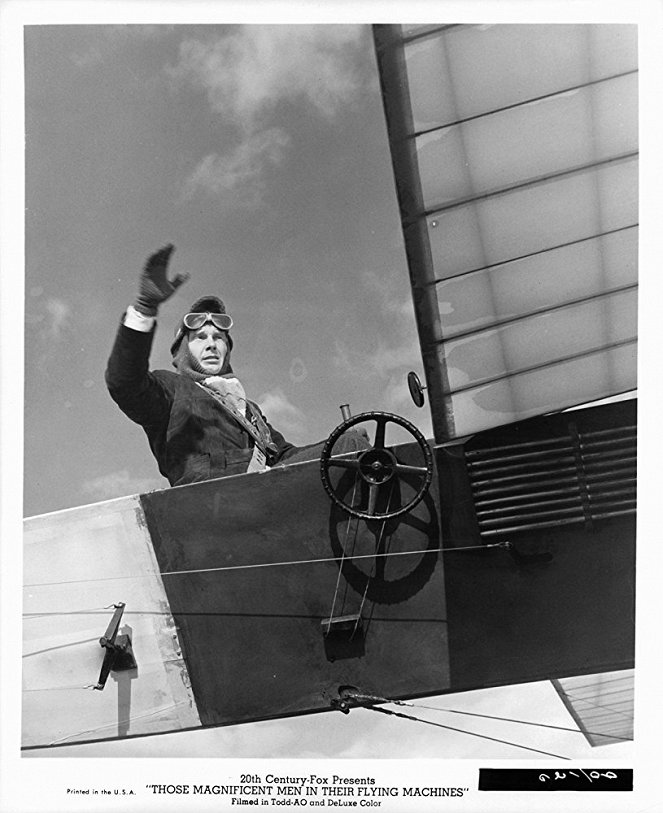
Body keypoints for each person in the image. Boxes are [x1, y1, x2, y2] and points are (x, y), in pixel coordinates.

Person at [106, 244, 369, 487]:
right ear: (182, 351)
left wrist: (341, 440)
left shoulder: (248, 409)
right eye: (200, 338)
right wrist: (145, 308)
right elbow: (125, 383)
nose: (212, 345)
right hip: (212, 502)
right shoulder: (172, 389)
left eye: (218, 338)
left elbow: (285, 455)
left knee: (351, 446)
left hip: (264, 494)